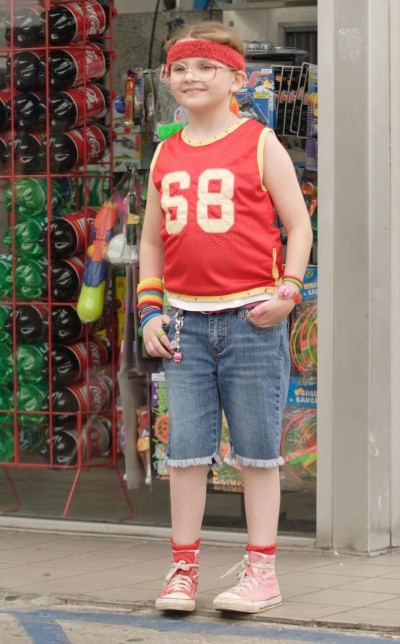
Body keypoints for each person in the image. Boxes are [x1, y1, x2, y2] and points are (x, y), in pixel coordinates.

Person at [138, 20, 313, 614]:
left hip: (253, 321)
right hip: (183, 324)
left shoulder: (260, 142)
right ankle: (182, 570)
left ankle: (262, 571)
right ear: (167, 79)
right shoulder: (165, 150)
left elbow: (299, 225)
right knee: (184, 453)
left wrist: (289, 290)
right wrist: (148, 310)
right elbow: (154, 243)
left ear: (237, 77)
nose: (191, 77)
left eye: (205, 67)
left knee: (259, 453)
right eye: (180, 68)